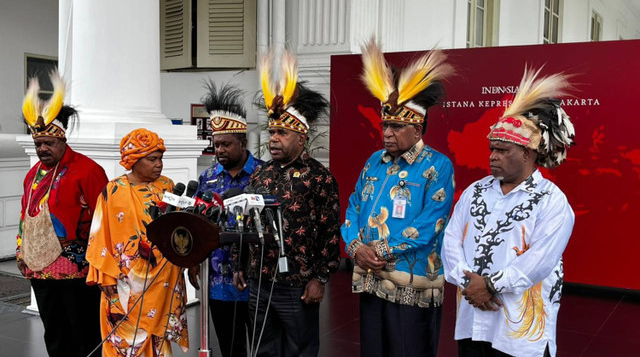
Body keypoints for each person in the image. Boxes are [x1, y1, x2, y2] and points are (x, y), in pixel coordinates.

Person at [442, 67, 576, 357]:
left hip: (518, 328)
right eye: (492, 149)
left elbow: (539, 261)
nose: (493, 156)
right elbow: (451, 240)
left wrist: (488, 285)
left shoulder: (552, 201)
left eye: (502, 150)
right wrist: (468, 282)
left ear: (527, 153)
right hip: (472, 319)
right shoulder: (475, 191)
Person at [341, 39, 456, 357]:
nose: (386, 133)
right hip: (371, 277)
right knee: (374, 350)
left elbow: (431, 223)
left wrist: (377, 249)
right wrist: (355, 247)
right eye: (384, 125)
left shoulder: (437, 165)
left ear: (417, 129)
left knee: (409, 350)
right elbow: (354, 206)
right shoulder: (374, 161)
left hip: (412, 282)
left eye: (395, 126)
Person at [232, 50, 341, 357]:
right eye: (271, 132)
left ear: (301, 138)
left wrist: (320, 279)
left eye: (282, 133)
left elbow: (330, 234)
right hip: (260, 281)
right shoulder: (260, 173)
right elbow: (245, 220)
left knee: (299, 349)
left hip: (298, 284)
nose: (274, 139)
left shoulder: (319, 178)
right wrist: (239, 263)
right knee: (262, 348)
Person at [17, 70, 107, 357]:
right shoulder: (33, 174)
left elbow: (103, 219)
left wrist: (102, 265)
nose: (42, 148)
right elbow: (25, 217)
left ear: (63, 140)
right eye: (38, 144)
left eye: (48, 143)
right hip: (40, 270)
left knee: (84, 331)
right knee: (53, 330)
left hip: (78, 271)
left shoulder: (88, 170)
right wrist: (21, 252)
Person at [85, 128, 189, 357]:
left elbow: (181, 230)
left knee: (158, 339)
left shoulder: (168, 187)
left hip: (164, 279)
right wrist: (105, 274)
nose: (158, 164)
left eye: (160, 158)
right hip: (125, 282)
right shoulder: (113, 190)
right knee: (125, 340)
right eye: (152, 159)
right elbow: (99, 235)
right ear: (134, 160)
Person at [187, 82, 263, 357]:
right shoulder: (208, 178)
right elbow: (198, 222)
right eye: (216, 144)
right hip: (218, 279)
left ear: (243, 143)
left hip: (256, 278)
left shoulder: (263, 176)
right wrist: (193, 261)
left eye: (226, 144)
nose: (219, 150)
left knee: (260, 346)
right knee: (230, 347)